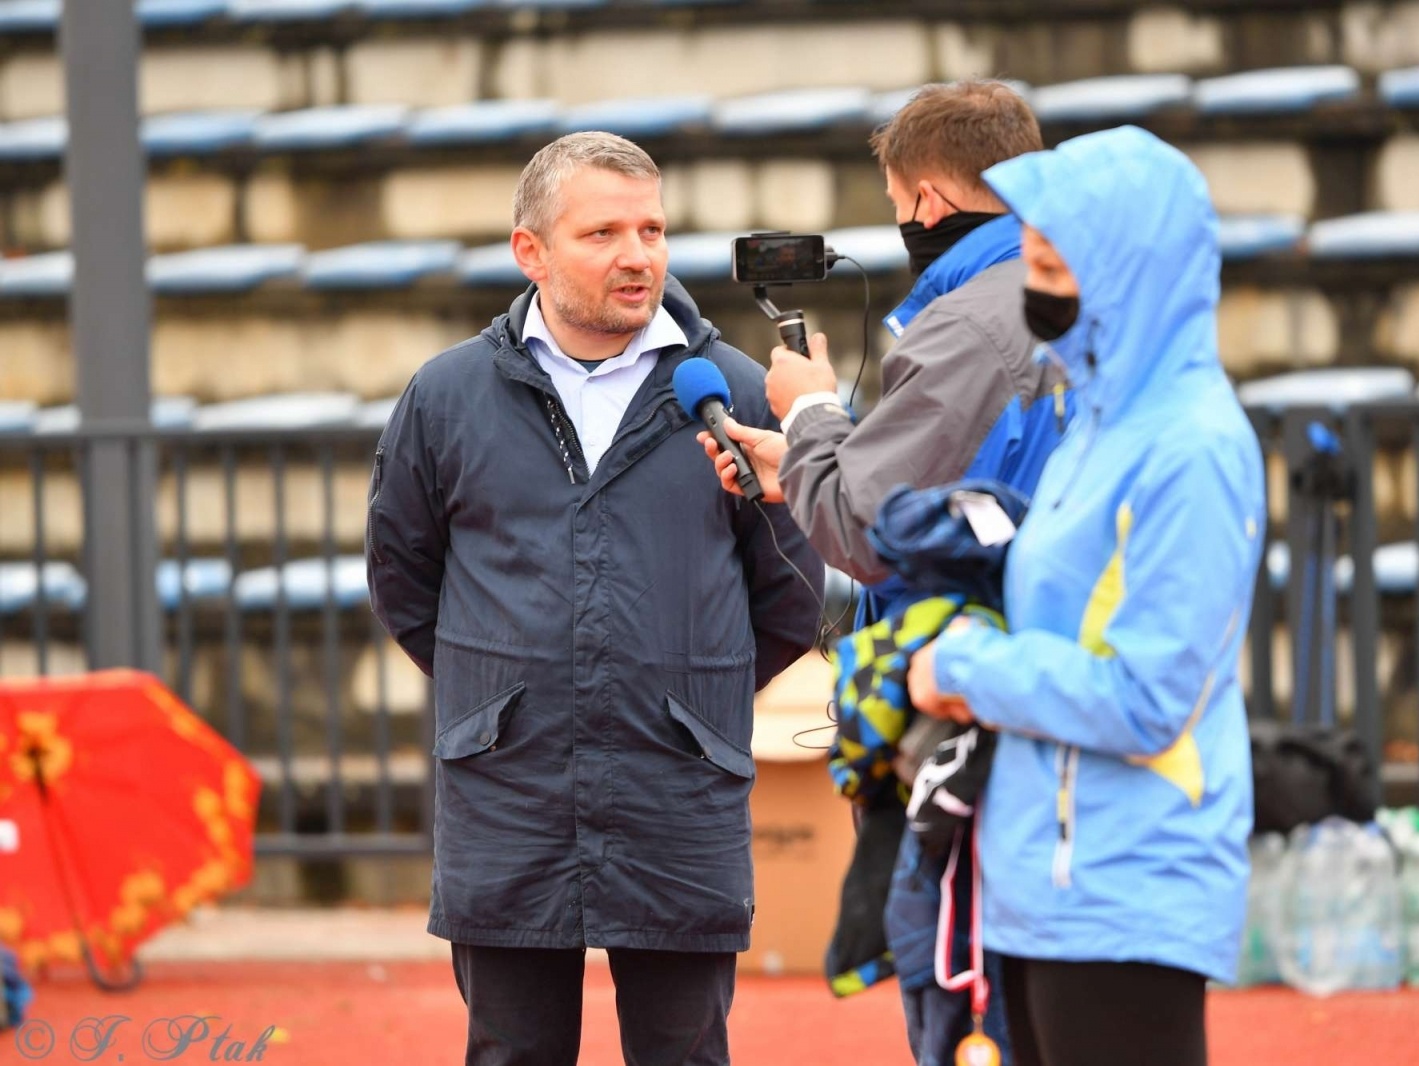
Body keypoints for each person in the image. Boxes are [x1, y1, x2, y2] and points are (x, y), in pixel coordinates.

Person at [366, 131, 823, 1066]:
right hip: (508, 788)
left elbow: (790, 592)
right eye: (604, 231)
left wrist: (689, 693)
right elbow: (404, 581)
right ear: (529, 251)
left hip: (679, 783)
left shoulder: (732, 390)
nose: (638, 254)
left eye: (652, 228)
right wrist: (502, 691)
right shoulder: (447, 395)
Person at [700, 80, 1065, 1066]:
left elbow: (863, 530)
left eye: (901, 208)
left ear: (926, 203)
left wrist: (812, 414)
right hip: (1038, 682)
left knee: (964, 996)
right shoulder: (1054, 296)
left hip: (970, 704)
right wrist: (814, 464)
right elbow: (952, 485)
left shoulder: (969, 318)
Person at [905, 125, 1267, 1066]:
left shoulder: (1192, 446)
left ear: (1126, 276)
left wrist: (967, 665)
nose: (1035, 284)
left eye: (1054, 265)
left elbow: (1147, 698)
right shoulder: (1096, 420)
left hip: (1129, 882)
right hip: (1042, 884)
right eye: (1032, 257)